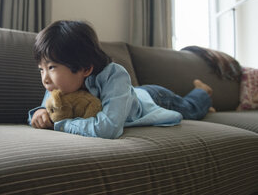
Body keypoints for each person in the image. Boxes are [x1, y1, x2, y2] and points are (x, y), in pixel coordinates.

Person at [28, 20, 215, 139]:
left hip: (153, 98)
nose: (45, 79)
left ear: (85, 68)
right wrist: (40, 113)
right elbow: (48, 110)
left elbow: (108, 128)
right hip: (133, 94)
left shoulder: (115, 75)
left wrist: (60, 125)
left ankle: (202, 92)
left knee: (191, 109)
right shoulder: (55, 85)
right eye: (41, 69)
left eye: (51, 67)